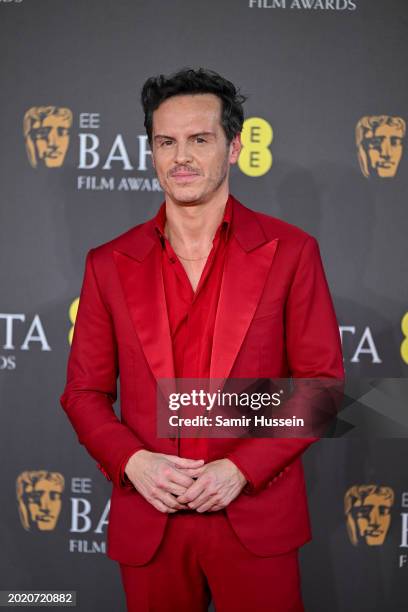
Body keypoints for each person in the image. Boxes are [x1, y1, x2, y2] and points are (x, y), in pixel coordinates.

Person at [60, 67, 344, 612]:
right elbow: (82, 393)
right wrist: (134, 462)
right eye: (166, 141)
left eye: (199, 139)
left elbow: (324, 388)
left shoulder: (291, 251)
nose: (181, 157)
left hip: (255, 519)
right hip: (151, 523)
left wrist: (242, 468)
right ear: (150, 151)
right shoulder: (107, 264)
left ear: (234, 147)